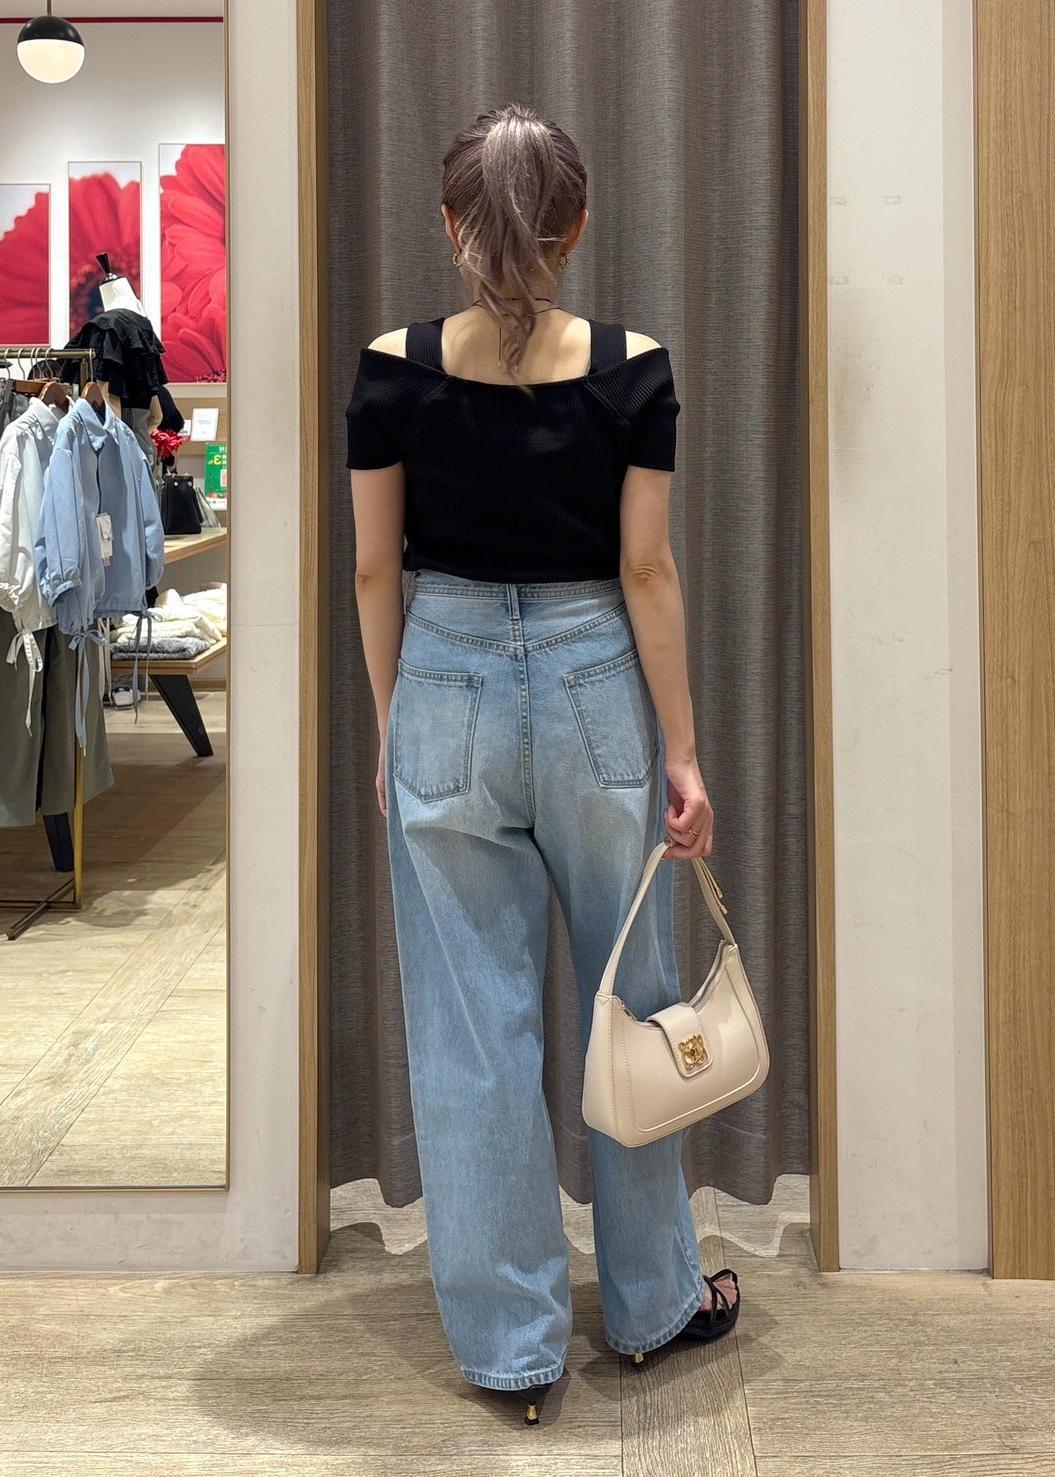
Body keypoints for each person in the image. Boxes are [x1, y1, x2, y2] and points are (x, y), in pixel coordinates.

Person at [347, 101, 740, 1426]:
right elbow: (647, 570)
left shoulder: (390, 367)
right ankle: (653, 1305)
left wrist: (397, 726)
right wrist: (682, 752)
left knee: (472, 1033)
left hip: (444, 677)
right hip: (592, 684)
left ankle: (514, 1349)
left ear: (450, 223)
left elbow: (373, 570)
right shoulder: (636, 368)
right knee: (634, 1004)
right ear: (577, 225)